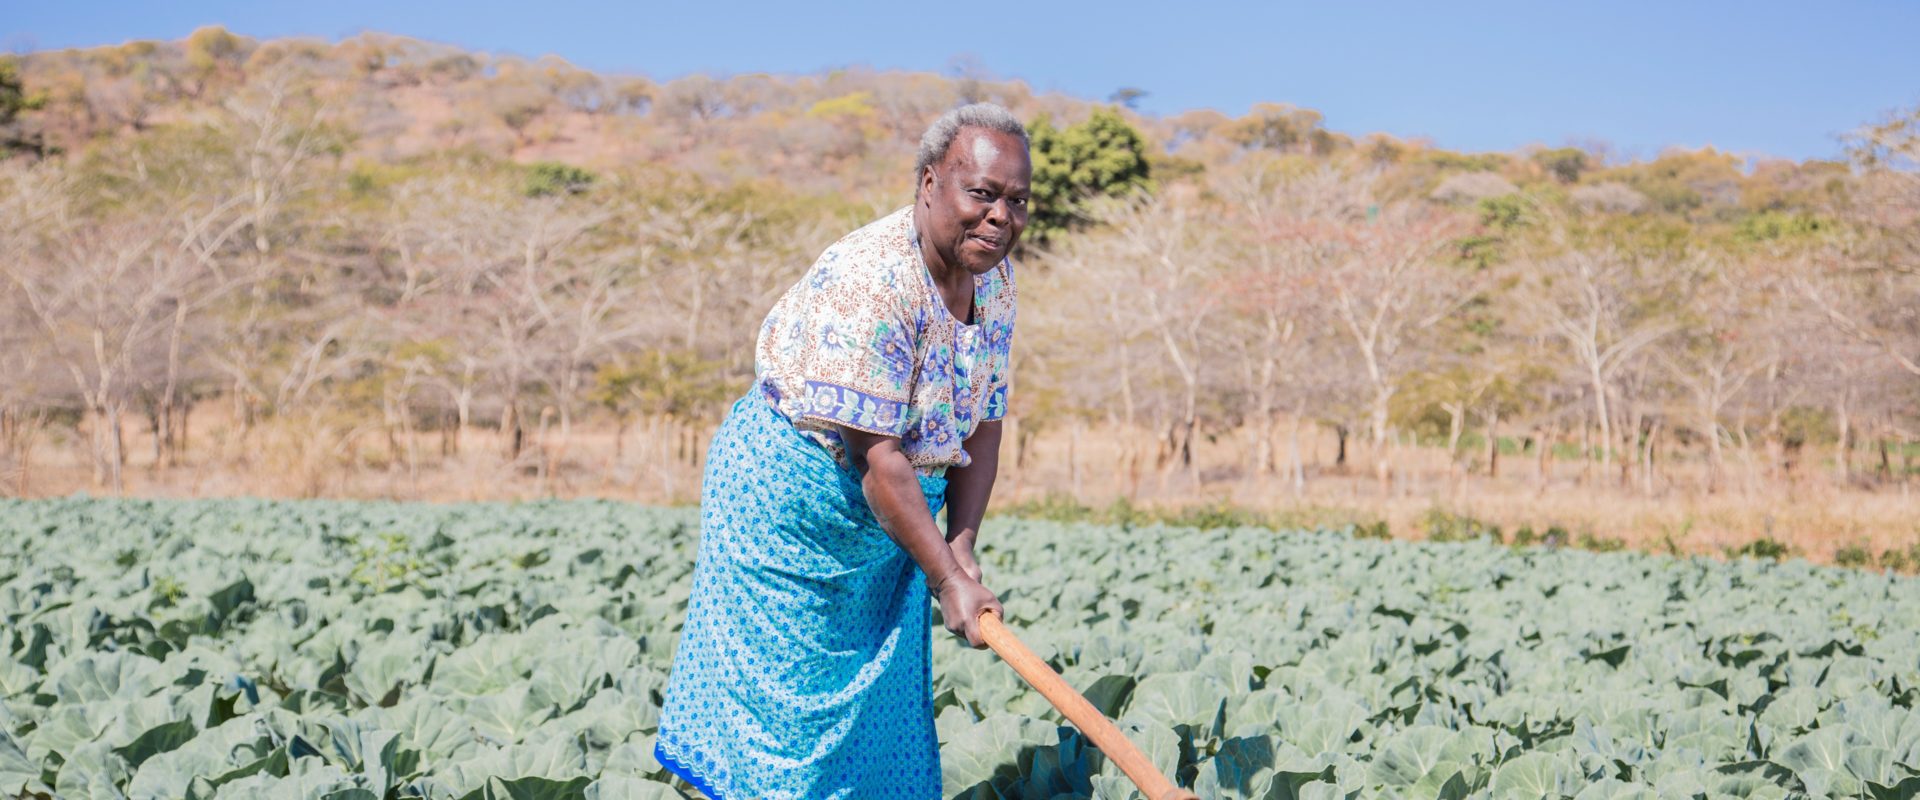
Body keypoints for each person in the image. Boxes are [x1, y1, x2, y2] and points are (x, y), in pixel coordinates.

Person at [654, 103, 1031, 799]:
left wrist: (963, 545)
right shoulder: (871, 279)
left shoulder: (995, 279)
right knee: (784, 719)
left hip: (890, 520)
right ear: (927, 184)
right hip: (791, 509)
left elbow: (986, 418)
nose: (1000, 216)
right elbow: (878, 457)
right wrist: (946, 578)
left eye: (1016, 199)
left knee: (872, 713)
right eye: (981, 193)